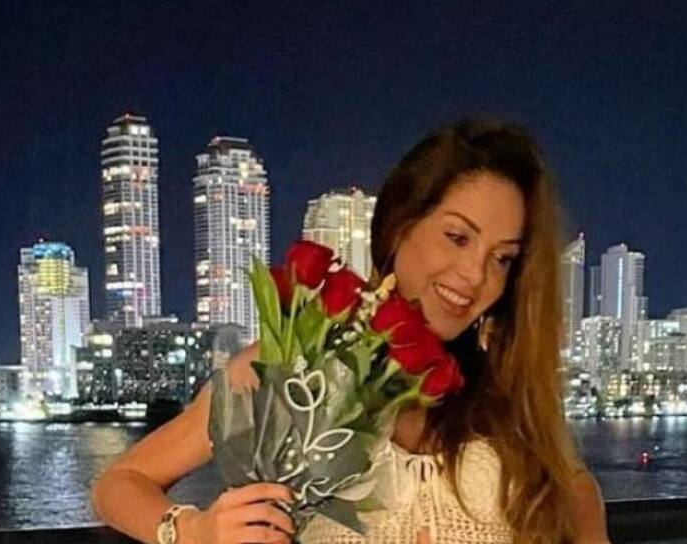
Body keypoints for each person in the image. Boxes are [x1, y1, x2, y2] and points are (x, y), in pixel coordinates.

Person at [92, 119, 611, 544]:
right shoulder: (295, 368)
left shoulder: (507, 390)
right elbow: (119, 483)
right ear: (399, 224)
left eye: (502, 258)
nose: (476, 275)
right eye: (457, 237)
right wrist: (194, 532)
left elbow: (576, 494)